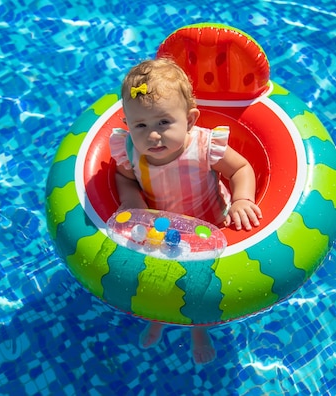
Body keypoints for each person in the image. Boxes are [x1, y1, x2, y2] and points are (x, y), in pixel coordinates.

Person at [109, 58, 262, 364]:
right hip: (162, 233)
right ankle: (159, 318)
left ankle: (198, 330)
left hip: (210, 228)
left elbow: (241, 169)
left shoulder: (205, 146)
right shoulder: (128, 150)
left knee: (198, 288)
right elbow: (123, 178)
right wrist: (131, 199)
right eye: (141, 125)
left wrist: (242, 200)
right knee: (157, 282)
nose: (153, 136)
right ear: (128, 124)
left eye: (164, 122)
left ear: (190, 120)